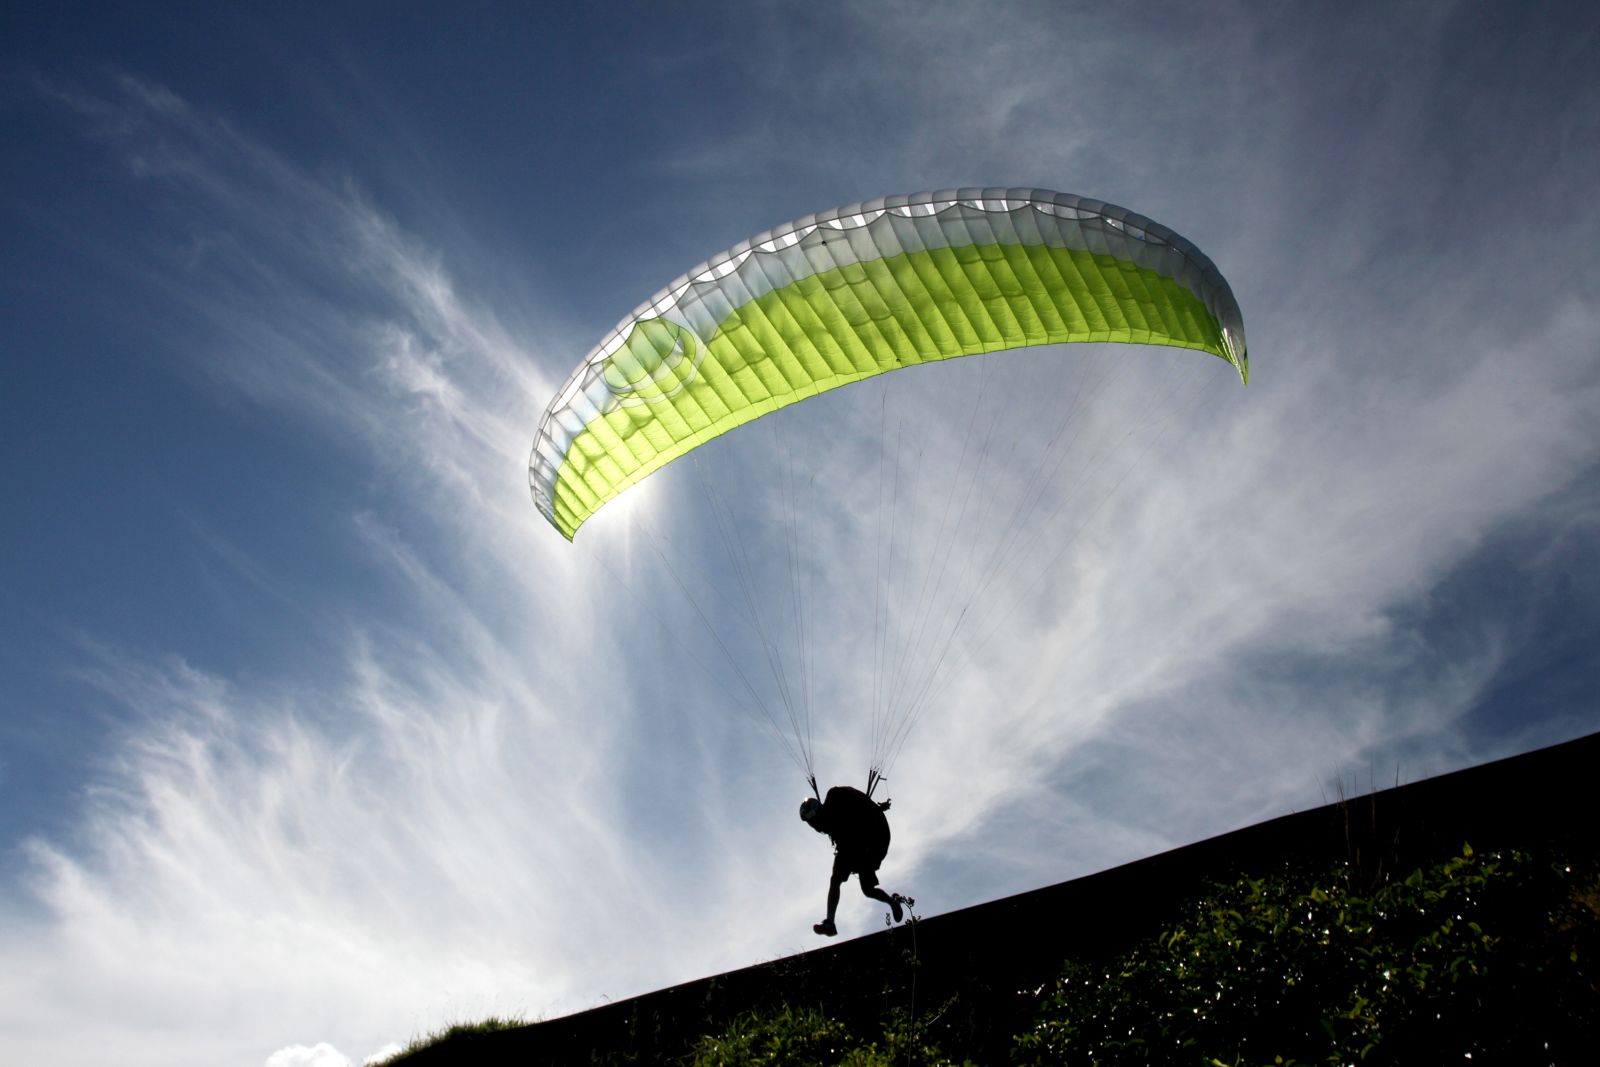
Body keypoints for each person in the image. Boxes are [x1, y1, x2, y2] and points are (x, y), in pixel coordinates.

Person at [799, 785, 908, 936]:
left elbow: (857, 803)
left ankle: (830, 922)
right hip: (859, 845)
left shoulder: (835, 798)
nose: (815, 827)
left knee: (836, 879)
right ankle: (892, 902)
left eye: (813, 822)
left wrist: (876, 809)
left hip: (871, 838)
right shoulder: (832, 823)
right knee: (867, 890)